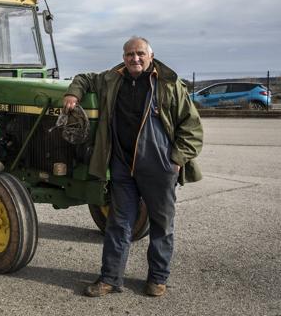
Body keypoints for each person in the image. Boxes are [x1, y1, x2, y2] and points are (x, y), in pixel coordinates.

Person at [63, 36, 203, 297]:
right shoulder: (112, 78)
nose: (134, 59)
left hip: (159, 167)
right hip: (122, 167)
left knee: (162, 225)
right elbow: (84, 78)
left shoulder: (169, 84)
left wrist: (175, 160)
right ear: (123, 57)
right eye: (129, 54)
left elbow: (191, 128)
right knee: (119, 224)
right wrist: (73, 93)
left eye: (140, 54)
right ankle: (110, 278)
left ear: (151, 55)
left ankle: (158, 279)